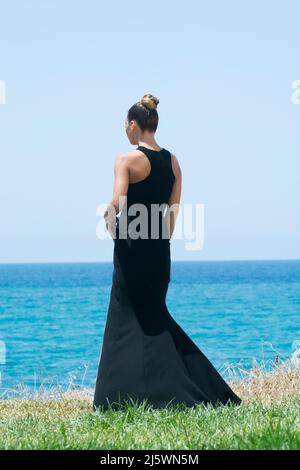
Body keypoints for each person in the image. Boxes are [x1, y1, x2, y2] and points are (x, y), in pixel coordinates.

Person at [92, 93, 242, 411]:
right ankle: (151, 394)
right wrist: (161, 245)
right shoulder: (173, 161)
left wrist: (108, 222)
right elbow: (172, 212)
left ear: (134, 125)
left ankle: (113, 398)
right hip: (160, 250)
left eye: (125, 125)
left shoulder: (126, 160)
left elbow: (117, 203)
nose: (125, 130)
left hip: (132, 248)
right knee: (154, 319)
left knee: (125, 319)